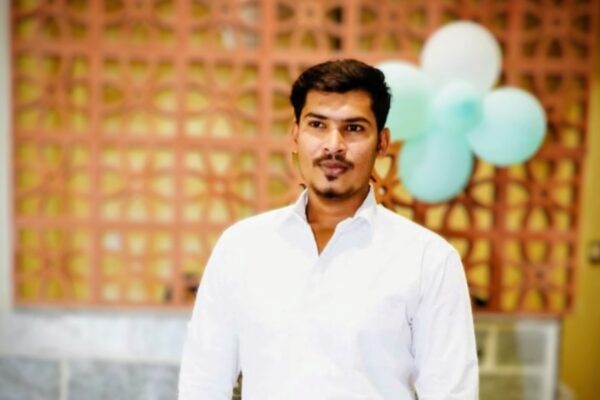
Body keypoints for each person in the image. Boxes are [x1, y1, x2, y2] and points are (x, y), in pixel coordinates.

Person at [178, 59, 478, 400]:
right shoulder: (241, 247)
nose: (333, 145)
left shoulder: (428, 260)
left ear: (382, 143)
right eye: (318, 125)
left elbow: (451, 393)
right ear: (295, 134)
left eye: (354, 128)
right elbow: (203, 384)